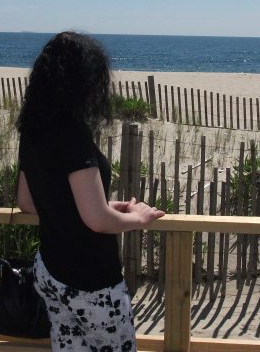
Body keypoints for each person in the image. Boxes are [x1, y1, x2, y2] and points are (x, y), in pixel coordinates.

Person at [15, 31, 164, 351]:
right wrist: (138, 218)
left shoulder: (32, 128)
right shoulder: (73, 134)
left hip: (50, 272)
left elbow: (28, 202)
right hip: (90, 281)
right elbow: (96, 221)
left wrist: (101, 204)